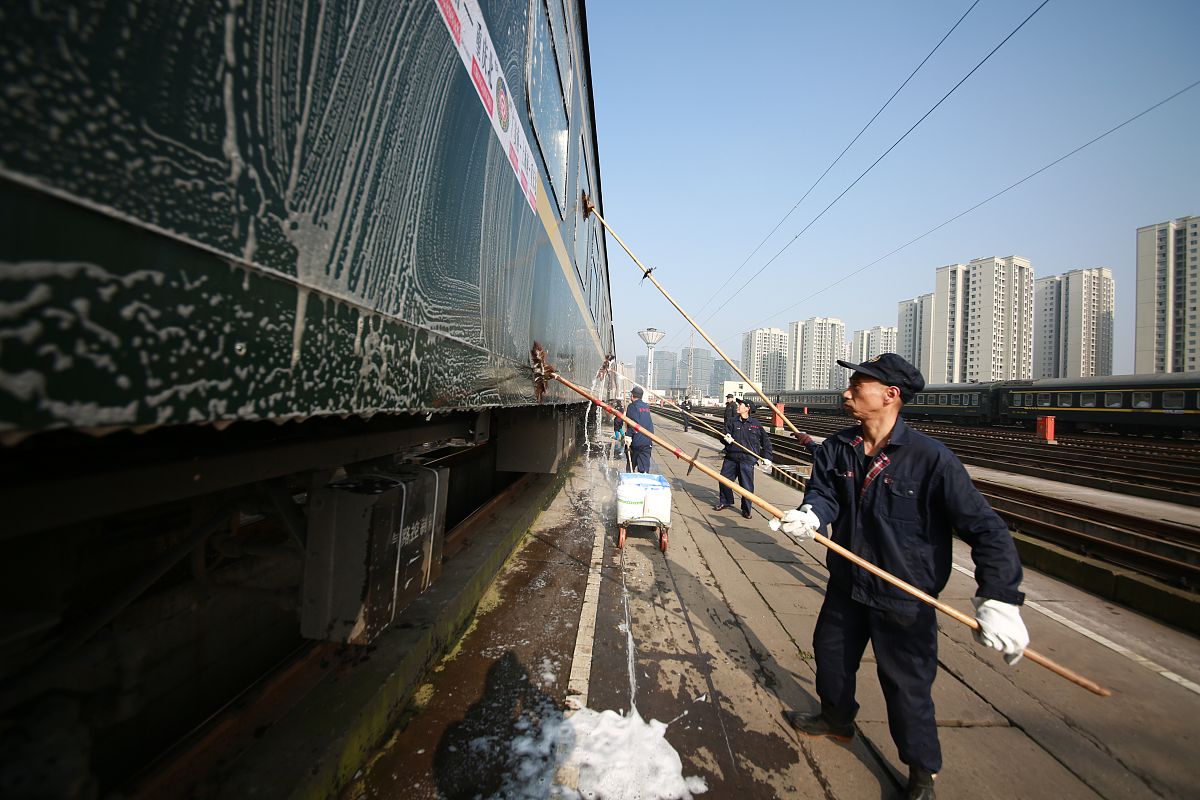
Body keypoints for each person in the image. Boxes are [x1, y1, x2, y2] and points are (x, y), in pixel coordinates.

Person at [773, 353, 1028, 800]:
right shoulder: (838, 448)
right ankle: (837, 720)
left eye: (858, 385)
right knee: (830, 658)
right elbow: (824, 493)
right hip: (847, 584)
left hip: (904, 600)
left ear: (891, 395)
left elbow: (986, 528)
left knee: (907, 688)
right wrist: (811, 514)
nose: (847, 392)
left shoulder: (931, 460)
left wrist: (1000, 597)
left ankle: (921, 772)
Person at [713, 397, 773, 519]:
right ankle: (726, 501)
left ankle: (746, 509)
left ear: (747, 408)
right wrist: (725, 438)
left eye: (741, 404)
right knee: (724, 480)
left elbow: (766, 442)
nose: (738, 406)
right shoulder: (732, 421)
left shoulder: (756, 425)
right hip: (732, 457)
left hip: (747, 459)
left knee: (746, 486)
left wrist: (767, 457)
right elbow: (722, 435)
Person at [625, 386, 654, 473]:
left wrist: (628, 436)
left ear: (632, 396)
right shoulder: (646, 406)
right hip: (648, 440)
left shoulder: (632, 406)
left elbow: (632, 423)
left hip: (636, 441)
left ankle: (630, 480)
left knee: (630, 465)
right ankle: (643, 482)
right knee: (644, 469)